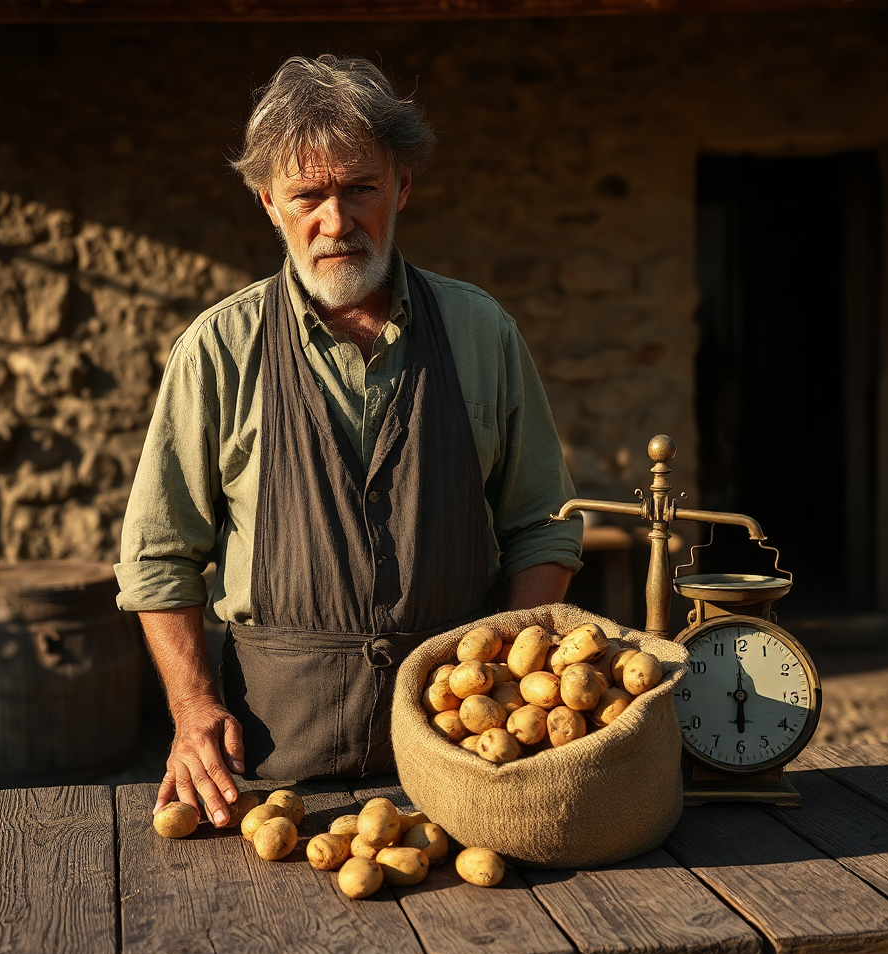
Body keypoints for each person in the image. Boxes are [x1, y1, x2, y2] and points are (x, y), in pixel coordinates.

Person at [114, 54, 584, 827]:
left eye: (360, 188)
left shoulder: (480, 334)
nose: (337, 222)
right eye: (309, 196)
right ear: (270, 203)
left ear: (401, 186)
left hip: (463, 753)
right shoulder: (219, 350)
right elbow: (159, 556)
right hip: (273, 771)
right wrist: (194, 709)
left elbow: (543, 527)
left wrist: (507, 673)